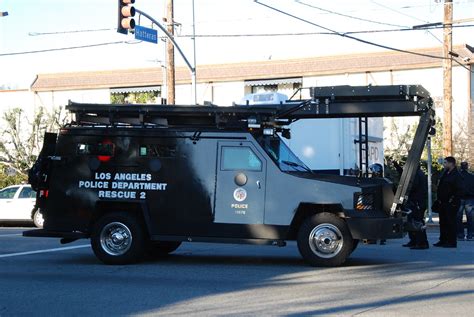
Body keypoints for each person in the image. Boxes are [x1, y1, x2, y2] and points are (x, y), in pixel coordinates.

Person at [393, 161, 429, 249]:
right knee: (413, 221)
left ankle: (421, 242)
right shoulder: (417, 173)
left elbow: (413, 186)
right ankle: (414, 240)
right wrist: (398, 167)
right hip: (416, 201)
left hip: (417, 202)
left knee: (417, 222)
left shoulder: (417, 174)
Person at [433, 157, 464, 248]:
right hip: (442, 202)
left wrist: (452, 200)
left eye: (446, 162)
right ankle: (443, 240)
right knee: (443, 222)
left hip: (451, 203)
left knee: (451, 222)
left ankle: (451, 242)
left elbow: (459, 190)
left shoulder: (457, 175)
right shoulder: (445, 173)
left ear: (451, 163)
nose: (444, 164)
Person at [457, 162, 474, 241]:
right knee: (470, 217)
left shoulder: (458, 176)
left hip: (460, 198)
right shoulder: (471, 177)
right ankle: (470, 234)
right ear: (467, 167)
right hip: (469, 198)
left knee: (458, 217)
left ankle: (460, 234)